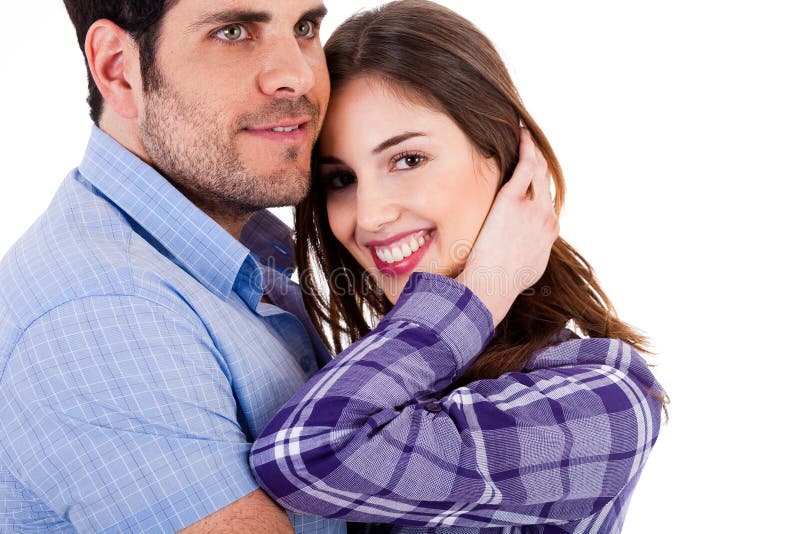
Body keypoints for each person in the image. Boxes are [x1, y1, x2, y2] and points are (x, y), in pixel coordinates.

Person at [0, 1, 544, 532]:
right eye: (234, 31)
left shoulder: (234, 264)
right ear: (119, 68)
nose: (300, 75)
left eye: (305, 25)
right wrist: (475, 296)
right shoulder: (103, 317)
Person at [250, 1, 666, 532]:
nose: (372, 216)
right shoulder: (387, 372)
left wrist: (486, 292)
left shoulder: (607, 401)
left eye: (408, 160)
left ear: (506, 157)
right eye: (341, 179)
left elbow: (306, 455)